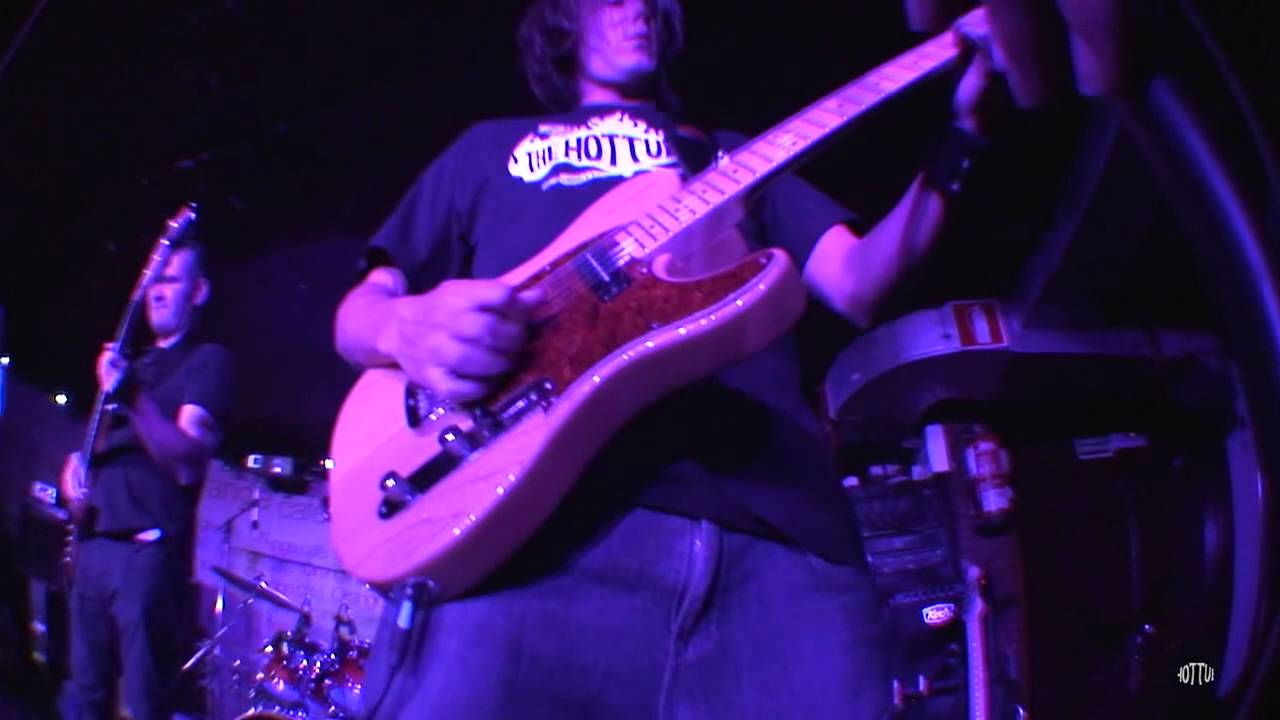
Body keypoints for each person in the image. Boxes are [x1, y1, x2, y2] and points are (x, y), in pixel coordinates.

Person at [333, 0, 1000, 717]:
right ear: (563, 21)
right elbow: (359, 312)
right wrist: (401, 326)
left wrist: (966, 134)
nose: (641, 9)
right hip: (524, 534)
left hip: (780, 544)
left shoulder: (729, 157)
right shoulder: (486, 147)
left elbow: (861, 281)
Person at [59, 239, 233, 720]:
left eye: (171, 280)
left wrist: (132, 396)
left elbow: (186, 463)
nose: (157, 291)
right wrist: (74, 471)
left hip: (146, 558)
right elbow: (93, 452)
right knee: (83, 697)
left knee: (143, 705)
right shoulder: (130, 365)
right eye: (155, 280)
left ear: (198, 291)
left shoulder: (207, 362)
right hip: (93, 548)